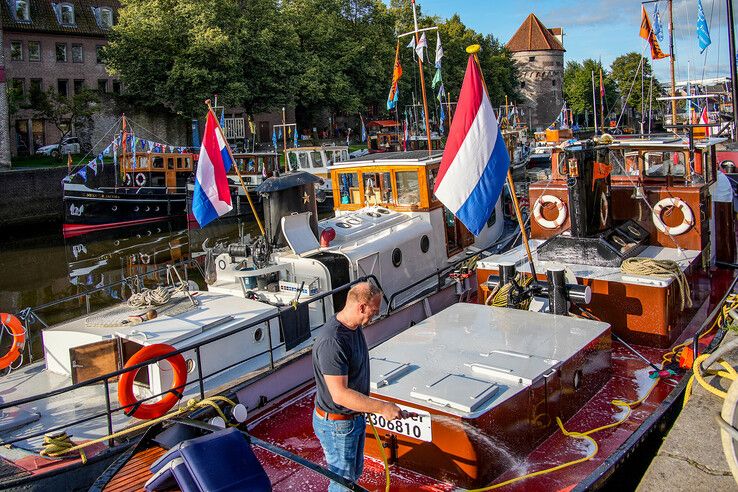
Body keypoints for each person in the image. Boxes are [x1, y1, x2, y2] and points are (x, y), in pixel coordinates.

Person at [312, 282, 403, 491]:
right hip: (338, 426)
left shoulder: (353, 327)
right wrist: (382, 407)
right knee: (343, 484)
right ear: (361, 307)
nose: (376, 315)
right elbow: (340, 395)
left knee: (351, 475)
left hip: (351, 420)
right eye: (374, 310)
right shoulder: (333, 341)